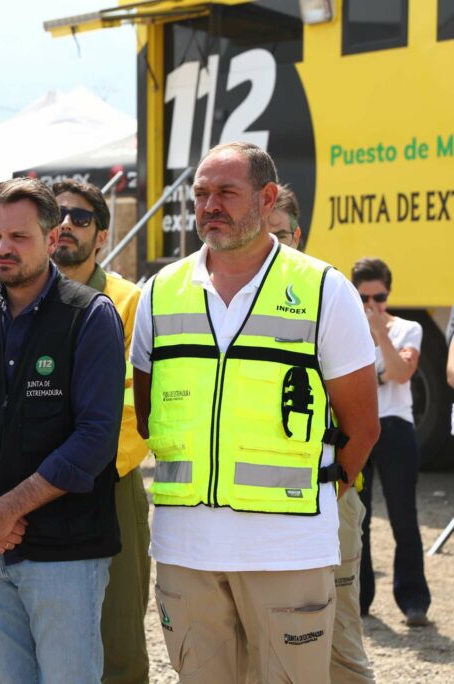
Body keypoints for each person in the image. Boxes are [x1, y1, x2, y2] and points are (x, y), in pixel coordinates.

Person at [133, 142, 380, 683]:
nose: (209, 205)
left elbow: (362, 427)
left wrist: (315, 494)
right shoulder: (159, 294)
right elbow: (148, 415)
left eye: (226, 192)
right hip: (185, 550)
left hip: (287, 552)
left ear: (267, 199)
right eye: (200, 194)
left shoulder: (323, 290)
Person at [0, 177, 125, 683]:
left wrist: (7, 509)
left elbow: (94, 439)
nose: (2, 249)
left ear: (52, 239)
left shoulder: (90, 316)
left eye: (18, 237)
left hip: (66, 556)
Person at [265, 185, 375, 684]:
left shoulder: (329, 297)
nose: (270, 244)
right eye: (260, 233)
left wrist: (338, 483)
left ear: (299, 235)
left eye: (280, 234)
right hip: (250, 509)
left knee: (339, 642)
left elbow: (362, 425)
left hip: (328, 494)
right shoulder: (223, 304)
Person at [50, 178, 151, 684]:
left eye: (81, 217)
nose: (66, 223)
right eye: (58, 215)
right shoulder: (12, 299)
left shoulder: (128, 302)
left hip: (106, 485)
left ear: (103, 235)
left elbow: (138, 410)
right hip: (27, 490)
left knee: (117, 642)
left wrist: (76, 468)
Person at [351, 257, 432, 627]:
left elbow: (401, 373)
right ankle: (360, 598)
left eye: (379, 297)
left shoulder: (407, 328)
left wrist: (380, 333)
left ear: (389, 293)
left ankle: (413, 600)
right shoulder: (345, 330)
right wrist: (381, 372)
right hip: (358, 426)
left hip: (395, 427)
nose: (373, 306)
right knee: (358, 518)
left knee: (404, 518)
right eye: (365, 298)